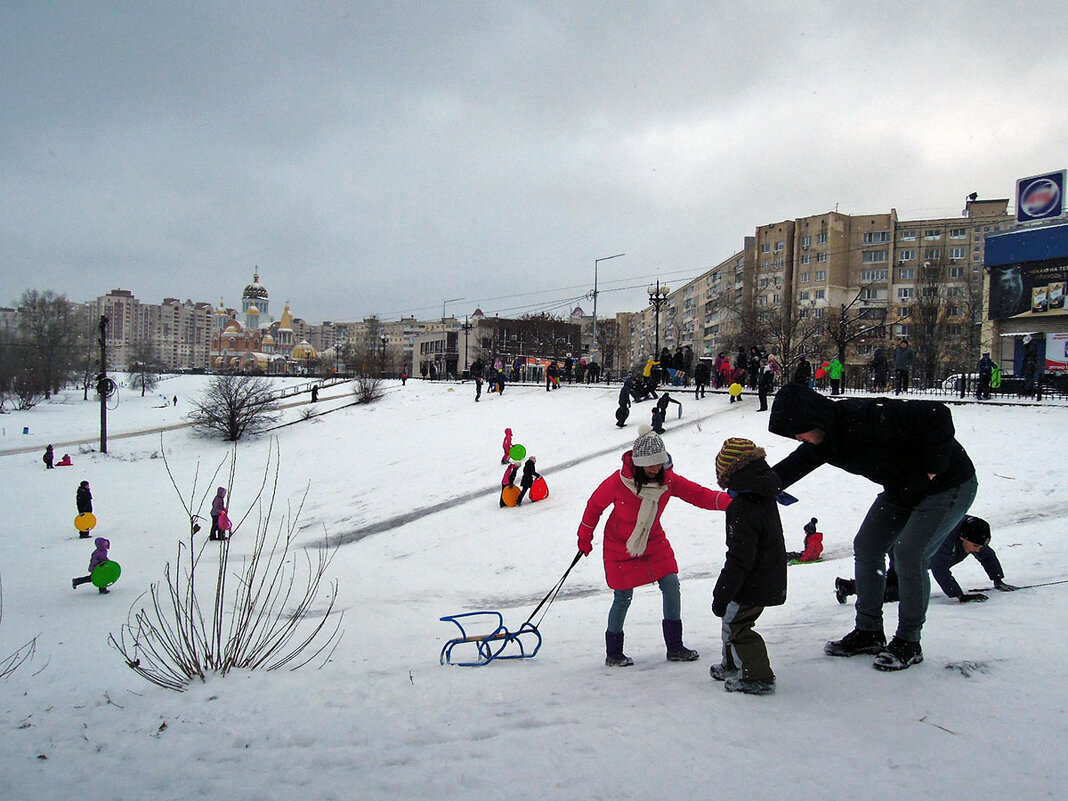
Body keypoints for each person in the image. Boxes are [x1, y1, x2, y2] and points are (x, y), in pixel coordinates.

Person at [768, 381, 977, 671]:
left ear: (813, 418)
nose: (797, 437)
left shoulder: (868, 416)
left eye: (798, 430)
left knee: (909, 554)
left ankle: (909, 641)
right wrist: (756, 485)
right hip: (901, 490)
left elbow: (936, 413)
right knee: (867, 545)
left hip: (947, 486)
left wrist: (931, 469)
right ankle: (869, 632)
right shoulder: (825, 441)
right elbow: (795, 464)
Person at [577, 424, 731, 666]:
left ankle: (675, 647)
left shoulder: (668, 481)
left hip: (653, 540)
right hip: (620, 545)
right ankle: (614, 653)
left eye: (658, 462)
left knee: (671, 583)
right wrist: (584, 538)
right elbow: (594, 506)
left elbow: (699, 495)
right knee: (622, 597)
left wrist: (731, 502)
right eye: (649, 464)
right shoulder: (618, 482)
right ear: (638, 463)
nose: (654, 468)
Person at [709, 437, 787, 695]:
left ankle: (757, 676)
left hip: (752, 580)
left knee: (737, 627)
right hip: (765, 573)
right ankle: (732, 665)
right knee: (730, 620)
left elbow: (740, 558)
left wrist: (722, 591)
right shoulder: (761, 494)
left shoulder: (743, 505)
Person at [929, 515, 1018, 602]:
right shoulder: (944, 538)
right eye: (975, 545)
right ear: (962, 538)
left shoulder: (973, 532)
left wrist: (998, 580)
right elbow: (939, 567)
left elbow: (987, 556)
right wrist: (960, 596)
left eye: (981, 546)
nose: (978, 549)